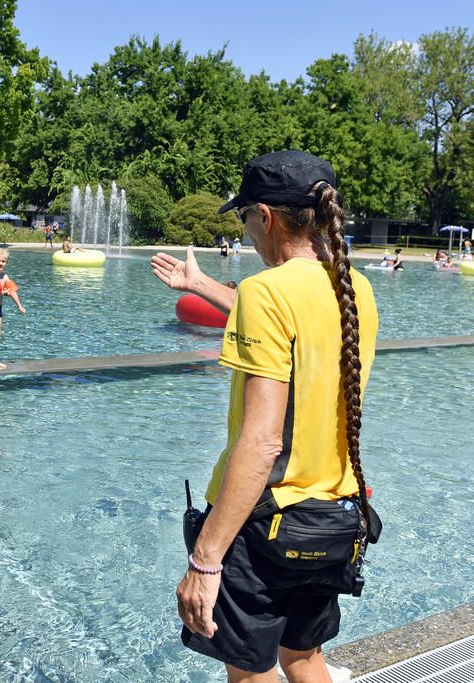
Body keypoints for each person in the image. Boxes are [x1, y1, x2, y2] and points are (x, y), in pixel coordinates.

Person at [155, 151, 379, 682]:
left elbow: (261, 443)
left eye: (245, 218)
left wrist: (207, 559)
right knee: (304, 657)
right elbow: (294, 330)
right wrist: (202, 285)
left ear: (267, 216)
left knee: (251, 671)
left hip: (265, 527)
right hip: (332, 518)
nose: (248, 231)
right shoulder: (355, 289)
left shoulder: (264, 291)